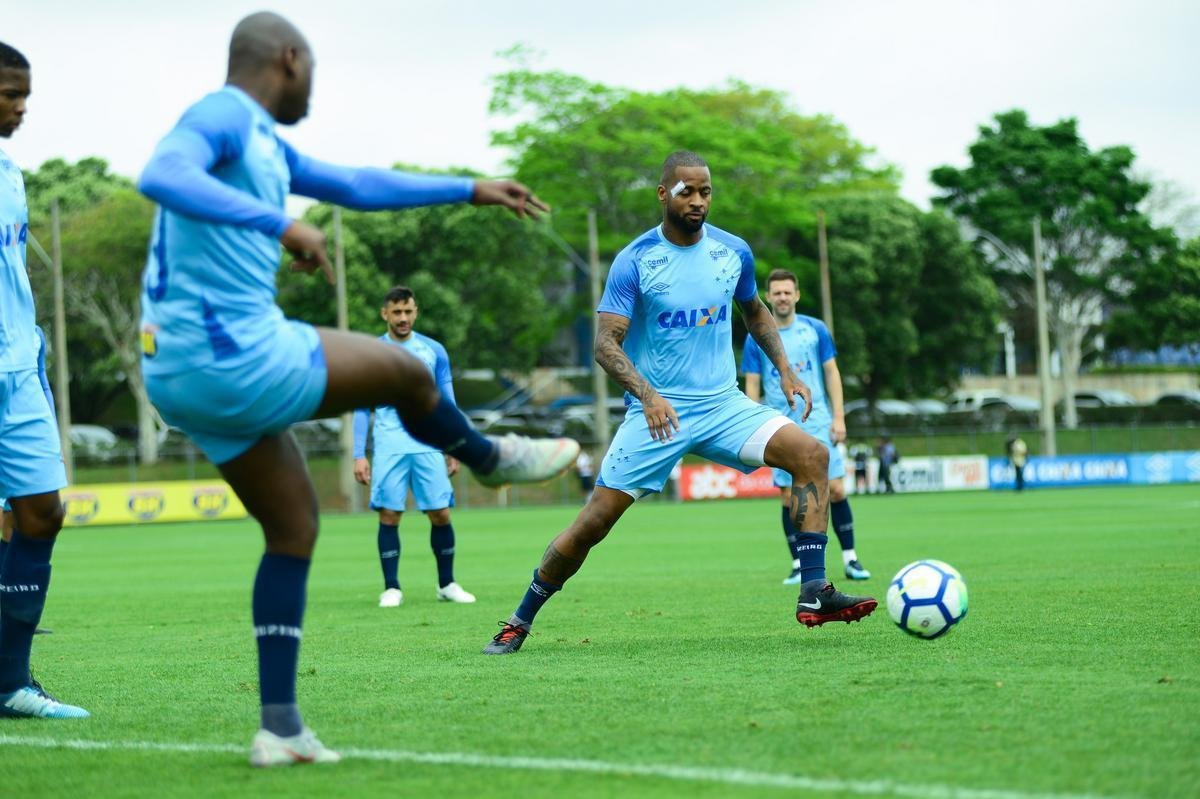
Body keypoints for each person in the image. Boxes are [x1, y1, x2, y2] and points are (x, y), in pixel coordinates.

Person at [136, 13, 578, 766]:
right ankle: (486, 455)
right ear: (289, 59)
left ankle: (278, 725)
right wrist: (278, 223)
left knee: (294, 528)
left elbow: (355, 184)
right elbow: (161, 174)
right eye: (312, 69)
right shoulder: (220, 115)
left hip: (176, 371)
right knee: (406, 368)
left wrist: (470, 188)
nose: (313, 85)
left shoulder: (265, 142)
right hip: (229, 351)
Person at [481, 151, 876, 656]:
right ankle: (519, 620)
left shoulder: (733, 252)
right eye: (686, 190)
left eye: (705, 191)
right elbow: (605, 343)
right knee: (593, 523)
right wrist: (647, 396)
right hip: (658, 415)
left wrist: (785, 368)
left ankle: (814, 591)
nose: (697, 200)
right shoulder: (636, 259)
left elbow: (754, 312)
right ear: (663, 193)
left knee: (812, 456)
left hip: (724, 405)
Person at [0, 42, 87, 719]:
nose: (21, 106)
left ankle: (10, 682)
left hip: (20, 369)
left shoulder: (10, 169)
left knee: (42, 512)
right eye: (9, 92)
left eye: (25, 93)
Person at [742, 269, 871, 583]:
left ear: (796, 295)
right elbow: (752, 384)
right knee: (788, 497)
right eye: (777, 293)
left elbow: (831, 373)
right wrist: (751, 424)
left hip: (819, 422)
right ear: (768, 297)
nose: (782, 297)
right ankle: (800, 565)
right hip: (778, 426)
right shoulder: (756, 334)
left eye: (788, 292)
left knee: (836, 490)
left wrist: (839, 416)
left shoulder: (815, 329)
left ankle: (851, 559)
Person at [352, 286, 474, 608]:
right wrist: (357, 454)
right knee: (389, 515)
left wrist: (455, 443)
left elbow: (448, 403)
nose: (403, 318)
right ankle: (391, 587)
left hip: (429, 443)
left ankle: (447, 584)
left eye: (408, 311)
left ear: (415, 312)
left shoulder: (434, 350)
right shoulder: (371, 353)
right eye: (397, 312)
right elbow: (362, 408)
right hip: (389, 446)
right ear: (385, 314)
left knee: (441, 513)